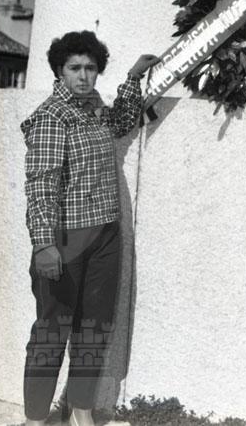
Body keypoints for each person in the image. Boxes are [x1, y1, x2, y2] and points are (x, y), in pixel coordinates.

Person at [21, 31, 160, 426]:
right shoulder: (51, 117)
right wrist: (43, 244)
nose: (83, 76)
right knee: (51, 332)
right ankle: (35, 419)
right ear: (59, 71)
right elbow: (41, 185)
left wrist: (133, 77)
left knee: (94, 330)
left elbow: (122, 122)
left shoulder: (94, 106)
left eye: (91, 68)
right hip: (63, 241)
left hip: (104, 237)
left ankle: (81, 411)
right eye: (75, 68)